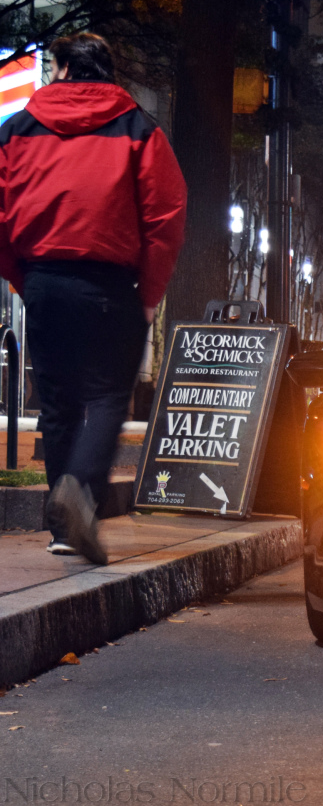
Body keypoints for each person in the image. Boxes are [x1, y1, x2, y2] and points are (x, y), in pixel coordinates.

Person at [0, 33, 187, 563]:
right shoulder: (138, 130)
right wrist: (149, 295)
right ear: (110, 74)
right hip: (110, 283)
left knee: (56, 402)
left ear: (59, 70)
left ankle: (62, 530)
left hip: (44, 280)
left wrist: (23, 276)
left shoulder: (16, 131)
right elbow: (165, 219)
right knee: (107, 395)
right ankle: (80, 492)